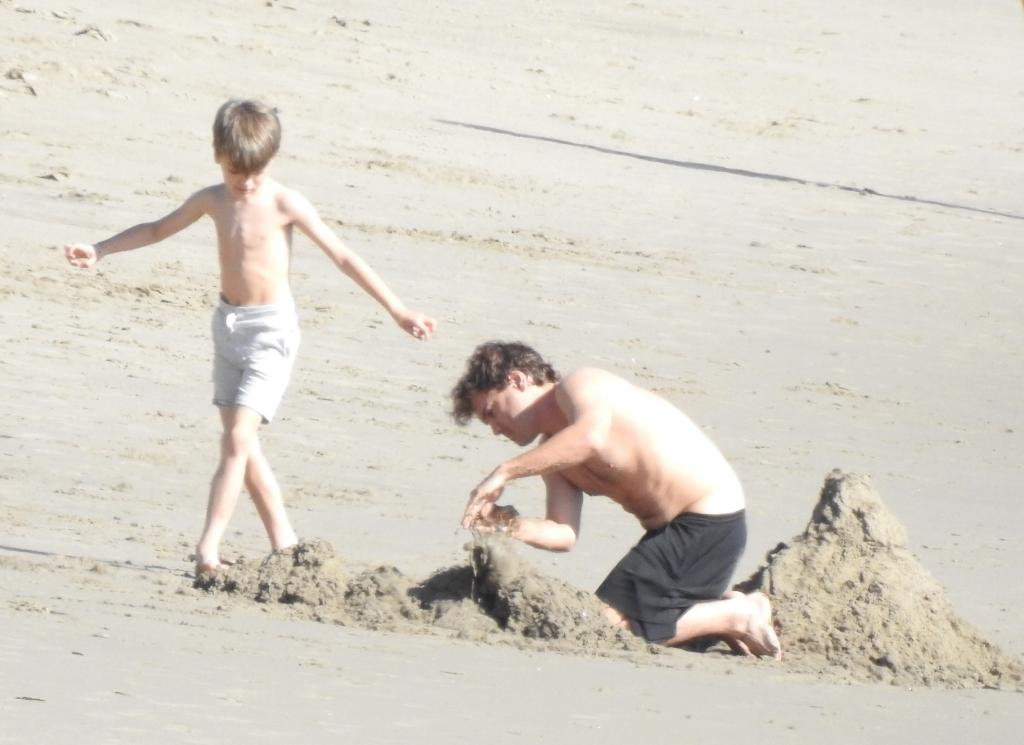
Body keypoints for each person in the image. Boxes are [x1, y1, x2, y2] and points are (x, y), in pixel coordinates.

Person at [66, 99, 436, 574]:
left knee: (238, 438)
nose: (247, 181)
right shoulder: (211, 200)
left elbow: (343, 257)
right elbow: (158, 229)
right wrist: (100, 249)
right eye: (237, 170)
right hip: (228, 327)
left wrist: (397, 309)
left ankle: (208, 549)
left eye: (255, 171)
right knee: (242, 444)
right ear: (218, 155)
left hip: (272, 332)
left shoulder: (285, 202)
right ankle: (285, 543)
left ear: (272, 160)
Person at [451, 341, 781, 658]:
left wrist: (505, 471)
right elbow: (563, 533)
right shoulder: (553, 454)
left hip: (710, 518)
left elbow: (590, 438)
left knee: (603, 628)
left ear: (517, 380)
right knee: (604, 625)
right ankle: (722, 607)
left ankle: (738, 616)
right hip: (668, 537)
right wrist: (508, 525)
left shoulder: (581, 384)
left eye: (491, 412)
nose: (494, 429)